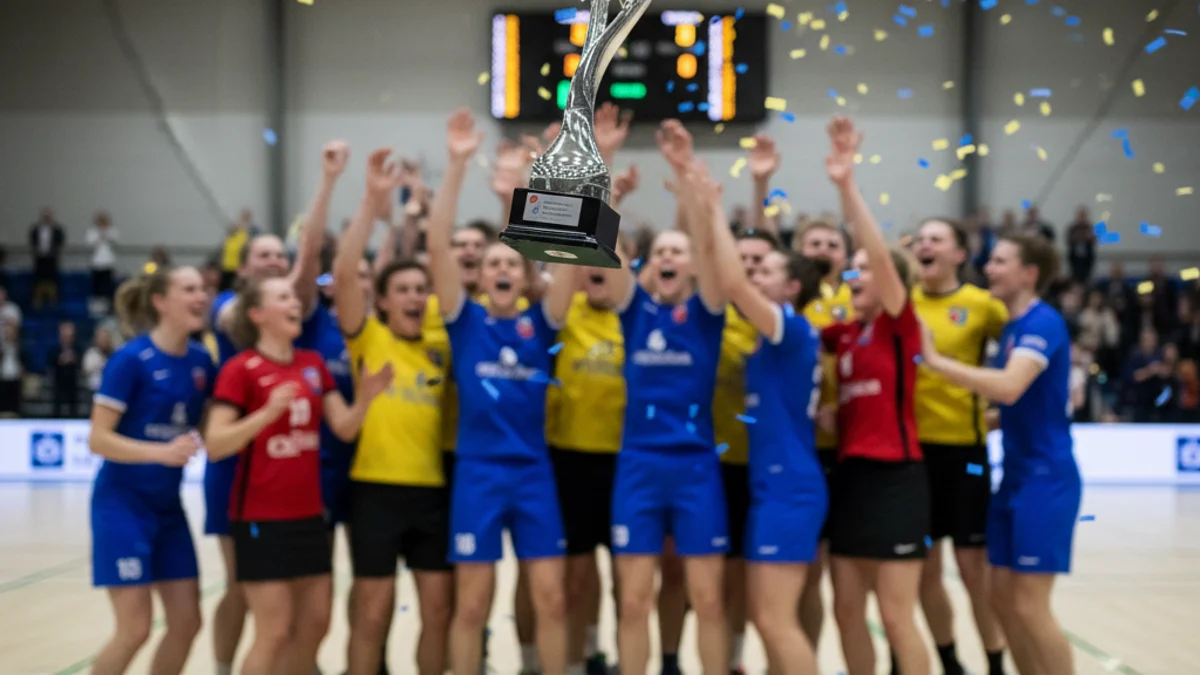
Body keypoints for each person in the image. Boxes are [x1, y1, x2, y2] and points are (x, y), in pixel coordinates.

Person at [426, 108, 576, 675]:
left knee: (553, 600)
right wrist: (458, 165)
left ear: (525, 273)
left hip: (533, 474)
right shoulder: (465, 322)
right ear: (482, 276)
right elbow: (439, 246)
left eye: (512, 260)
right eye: (491, 262)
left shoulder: (543, 322)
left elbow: (570, 254)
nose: (501, 268)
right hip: (478, 475)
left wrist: (549, 182)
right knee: (472, 605)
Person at [203, 142, 348, 675]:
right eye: (263, 258)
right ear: (242, 272)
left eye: (279, 259)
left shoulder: (299, 329)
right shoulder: (231, 312)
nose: (276, 265)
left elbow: (309, 256)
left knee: (296, 614)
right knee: (247, 596)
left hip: (296, 482)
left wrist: (327, 184)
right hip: (238, 472)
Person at [592, 120, 729, 675]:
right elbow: (602, 244)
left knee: (710, 599)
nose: (669, 257)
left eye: (680, 250)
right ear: (649, 269)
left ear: (692, 265)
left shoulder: (707, 312)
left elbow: (708, 246)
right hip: (639, 468)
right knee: (632, 600)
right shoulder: (635, 311)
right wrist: (603, 162)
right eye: (660, 252)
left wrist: (684, 172)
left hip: (696, 467)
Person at [203, 276, 389, 675]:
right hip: (259, 519)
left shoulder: (312, 365)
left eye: (293, 298)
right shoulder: (241, 369)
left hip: (308, 516)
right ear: (257, 315)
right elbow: (216, 443)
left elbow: (344, 428)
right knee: (274, 630)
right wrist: (266, 414)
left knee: (316, 623)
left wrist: (368, 398)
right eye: (282, 297)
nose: (294, 304)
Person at [920, 233, 1081, 675]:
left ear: (1029, 273)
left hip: (1046, 481)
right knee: (1003, 601)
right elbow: (1011, 406)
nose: (988, 269)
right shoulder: (1012, 327)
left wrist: (935, 361)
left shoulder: (1042, 323)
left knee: (1029, 605)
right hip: (1013, 478)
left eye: (999, 261)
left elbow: (1009, 387)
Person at [701, 168, 827, 675]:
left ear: (792, 286)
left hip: (790, 488)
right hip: (774, 484)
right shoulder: (777, 335)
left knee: (775, 620)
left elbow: (731, 279)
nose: (757, 277)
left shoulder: (787, 326)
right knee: (767, 616)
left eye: (768, 272)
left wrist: (713, 208)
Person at [334, 149, 454, 675]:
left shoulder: (440, 338)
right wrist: (371, 204)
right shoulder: (369, 337)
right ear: (381, 300)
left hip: (432, 491)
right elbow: (342, 275)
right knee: (373, 613)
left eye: (419, 289)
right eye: (401, 289)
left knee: (439, 612)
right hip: (376, 492)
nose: (413, 296)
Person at [820, 117, 931, 675]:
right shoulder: (842, 335)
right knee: (846, 611)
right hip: (851, 480)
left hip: (897, 480)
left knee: (895, 617)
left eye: (864, 269)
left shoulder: (897, 322)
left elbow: (883, 262)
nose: (855, 274)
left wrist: (846, 185)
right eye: (852, 269)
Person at [87, 266, 216, 675]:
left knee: (187, 622)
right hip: (122, 507)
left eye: (203, 289)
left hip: (168, 510)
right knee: (134, 629)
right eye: (189, 289)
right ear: (160, 301)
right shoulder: (130, 360)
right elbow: (98, 439)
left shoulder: (200, 361)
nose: (201, 296)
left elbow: (212, 429)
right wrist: (160, 453)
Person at [911, 218, 1009, 675]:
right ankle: (950, 662)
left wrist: (1000, 414)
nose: (925, 245)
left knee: (975, 573)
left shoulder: (983, 306)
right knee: (925, 574)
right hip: (911, 459)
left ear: (958, 254)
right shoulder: (901, 304)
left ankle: (994, 662)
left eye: (936, 239)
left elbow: (1025, 366)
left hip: (965, 456)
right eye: (920, 239)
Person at [794, 215, 854, 651]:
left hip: (852, 455)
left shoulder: (860, 298)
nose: (824, 250)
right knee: (807, 576)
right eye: (814, 243)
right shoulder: (787, 299)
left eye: (833, 244)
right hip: (800, 452)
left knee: (850, 579)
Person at [29, 207, 66, 309]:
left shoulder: (57, 229)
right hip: (39, 259)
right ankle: (37, 300)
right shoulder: (36, 229)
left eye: (48, 216)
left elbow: (60, 241)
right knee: (38, 280)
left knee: (52, 280)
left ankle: (53, 300)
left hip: (52, 259)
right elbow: (32, 241)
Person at [48, 321, 81, 419]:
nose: (67, 337)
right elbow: (49, 363)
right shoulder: (55, 350)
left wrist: (73, 359)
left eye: (69, 334)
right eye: (64, 334)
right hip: (58, 382)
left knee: (73, 404)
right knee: (57, 403)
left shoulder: (78, 349)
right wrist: (60, 360)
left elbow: (81, 363)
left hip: (73, 382)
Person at [88, 211, 120, 312]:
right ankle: (97, 309)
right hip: (96, 263)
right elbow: (90, 243)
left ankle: (109, 307)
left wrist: (105, 233)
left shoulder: (113, 231)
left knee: (108, 286)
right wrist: (100, 234)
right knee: (97, 287)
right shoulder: (92, 232)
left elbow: (115, 241)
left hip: (108, 263)